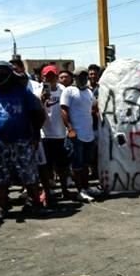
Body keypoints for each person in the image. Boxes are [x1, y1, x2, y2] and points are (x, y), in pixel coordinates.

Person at [0, 61, 45, 219]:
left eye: (4, 73)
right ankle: (3, 206)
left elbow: (37, 114)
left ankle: (35, 203)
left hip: (23, 141)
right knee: (0, 177)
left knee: (29, 174)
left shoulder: (23, 92)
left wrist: (35, 136)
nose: (0, 76)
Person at [61, 70, 99, 201]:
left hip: (89, 134)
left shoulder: (89, 92)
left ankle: (86, 187)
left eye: (84, 76)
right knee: (77, 165)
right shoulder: (69, 91)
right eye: (79, 76)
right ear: (74, 78)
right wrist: (70, 128)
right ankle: (80, 190)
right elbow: (64, 110)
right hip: (76, 135)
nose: (82, 79)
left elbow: (94, 107)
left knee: (86, 164)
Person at [37, 65, 70, 203]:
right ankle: (47, 191)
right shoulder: (37, 91)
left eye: (52, 76)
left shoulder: (64, 90)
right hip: (45, 134)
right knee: (46, 167)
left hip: (61, 134)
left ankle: (65, 190)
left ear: (56, 77)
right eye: (47, 76)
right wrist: (41, 100)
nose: (50, 79)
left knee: (62, 166)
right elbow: (35, 111)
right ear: (43, 77)